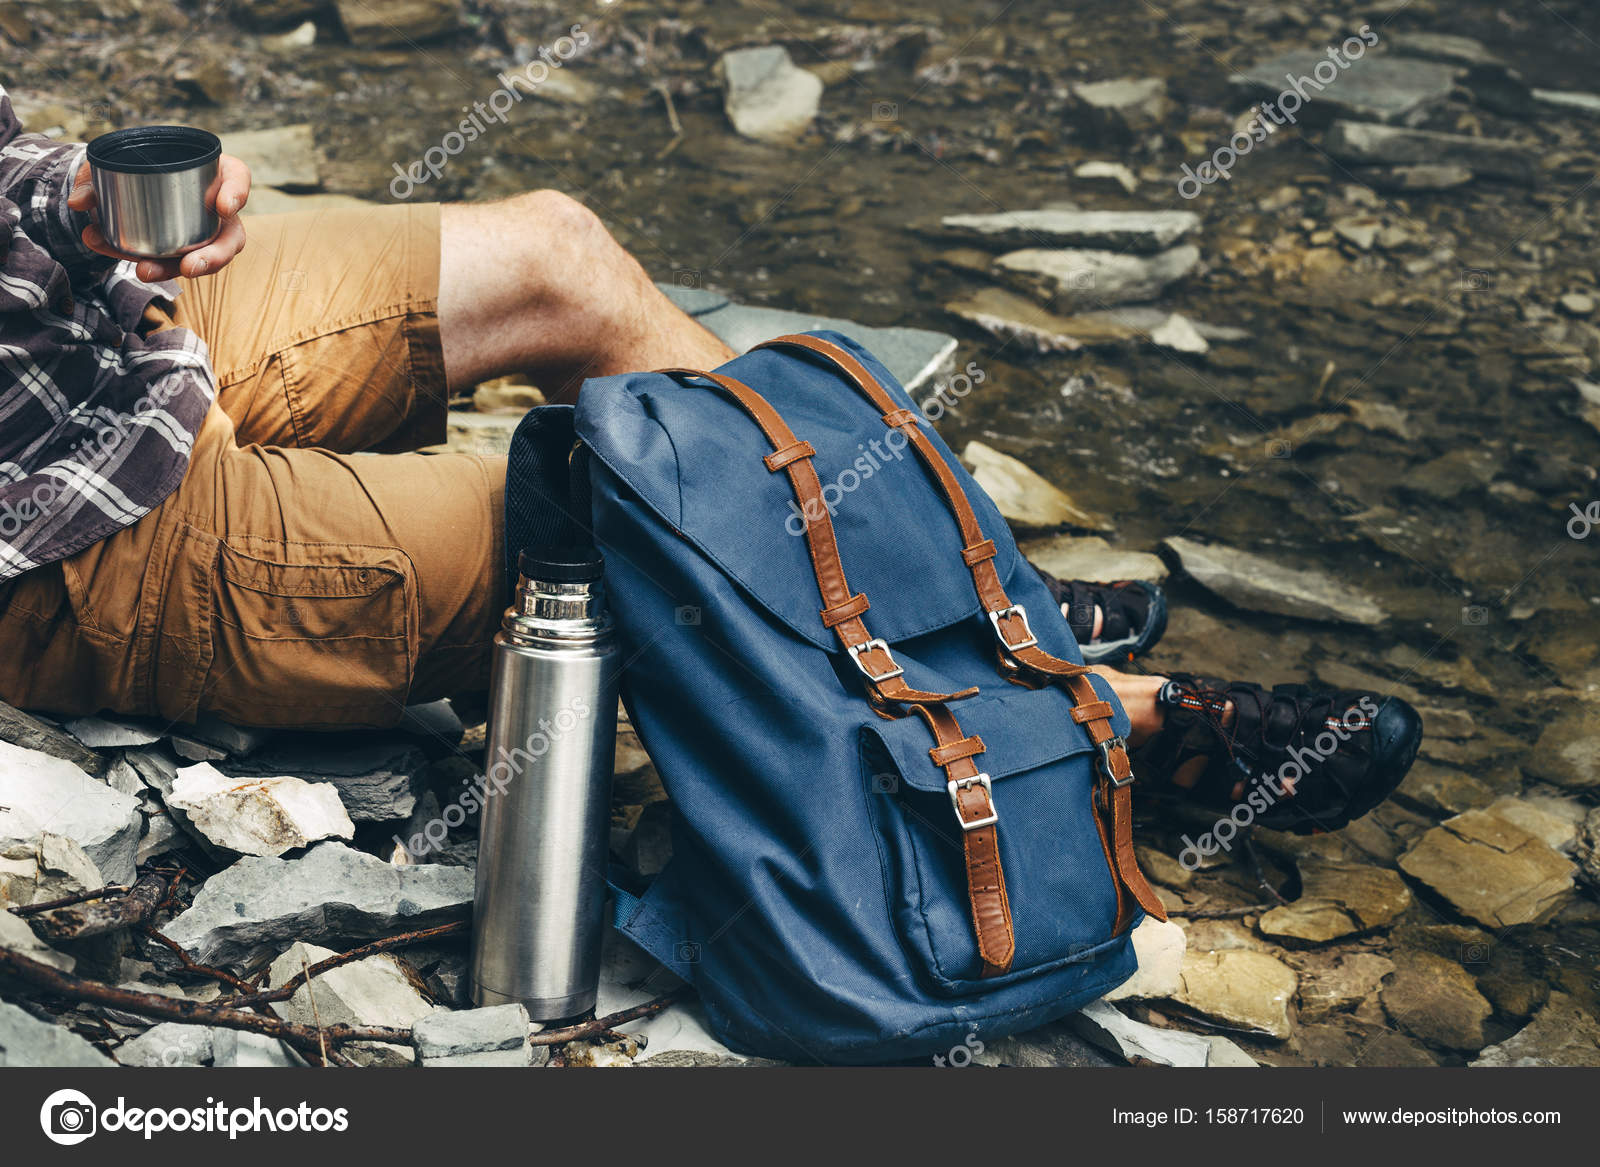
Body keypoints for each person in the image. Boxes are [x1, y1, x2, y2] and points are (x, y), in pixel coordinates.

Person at [0, 87, 1420, 837]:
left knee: (560, 251)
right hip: (63, 527)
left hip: (92, 316)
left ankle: (973, 591)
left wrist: (57, 194)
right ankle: (1102, 725)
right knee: (642, 532)